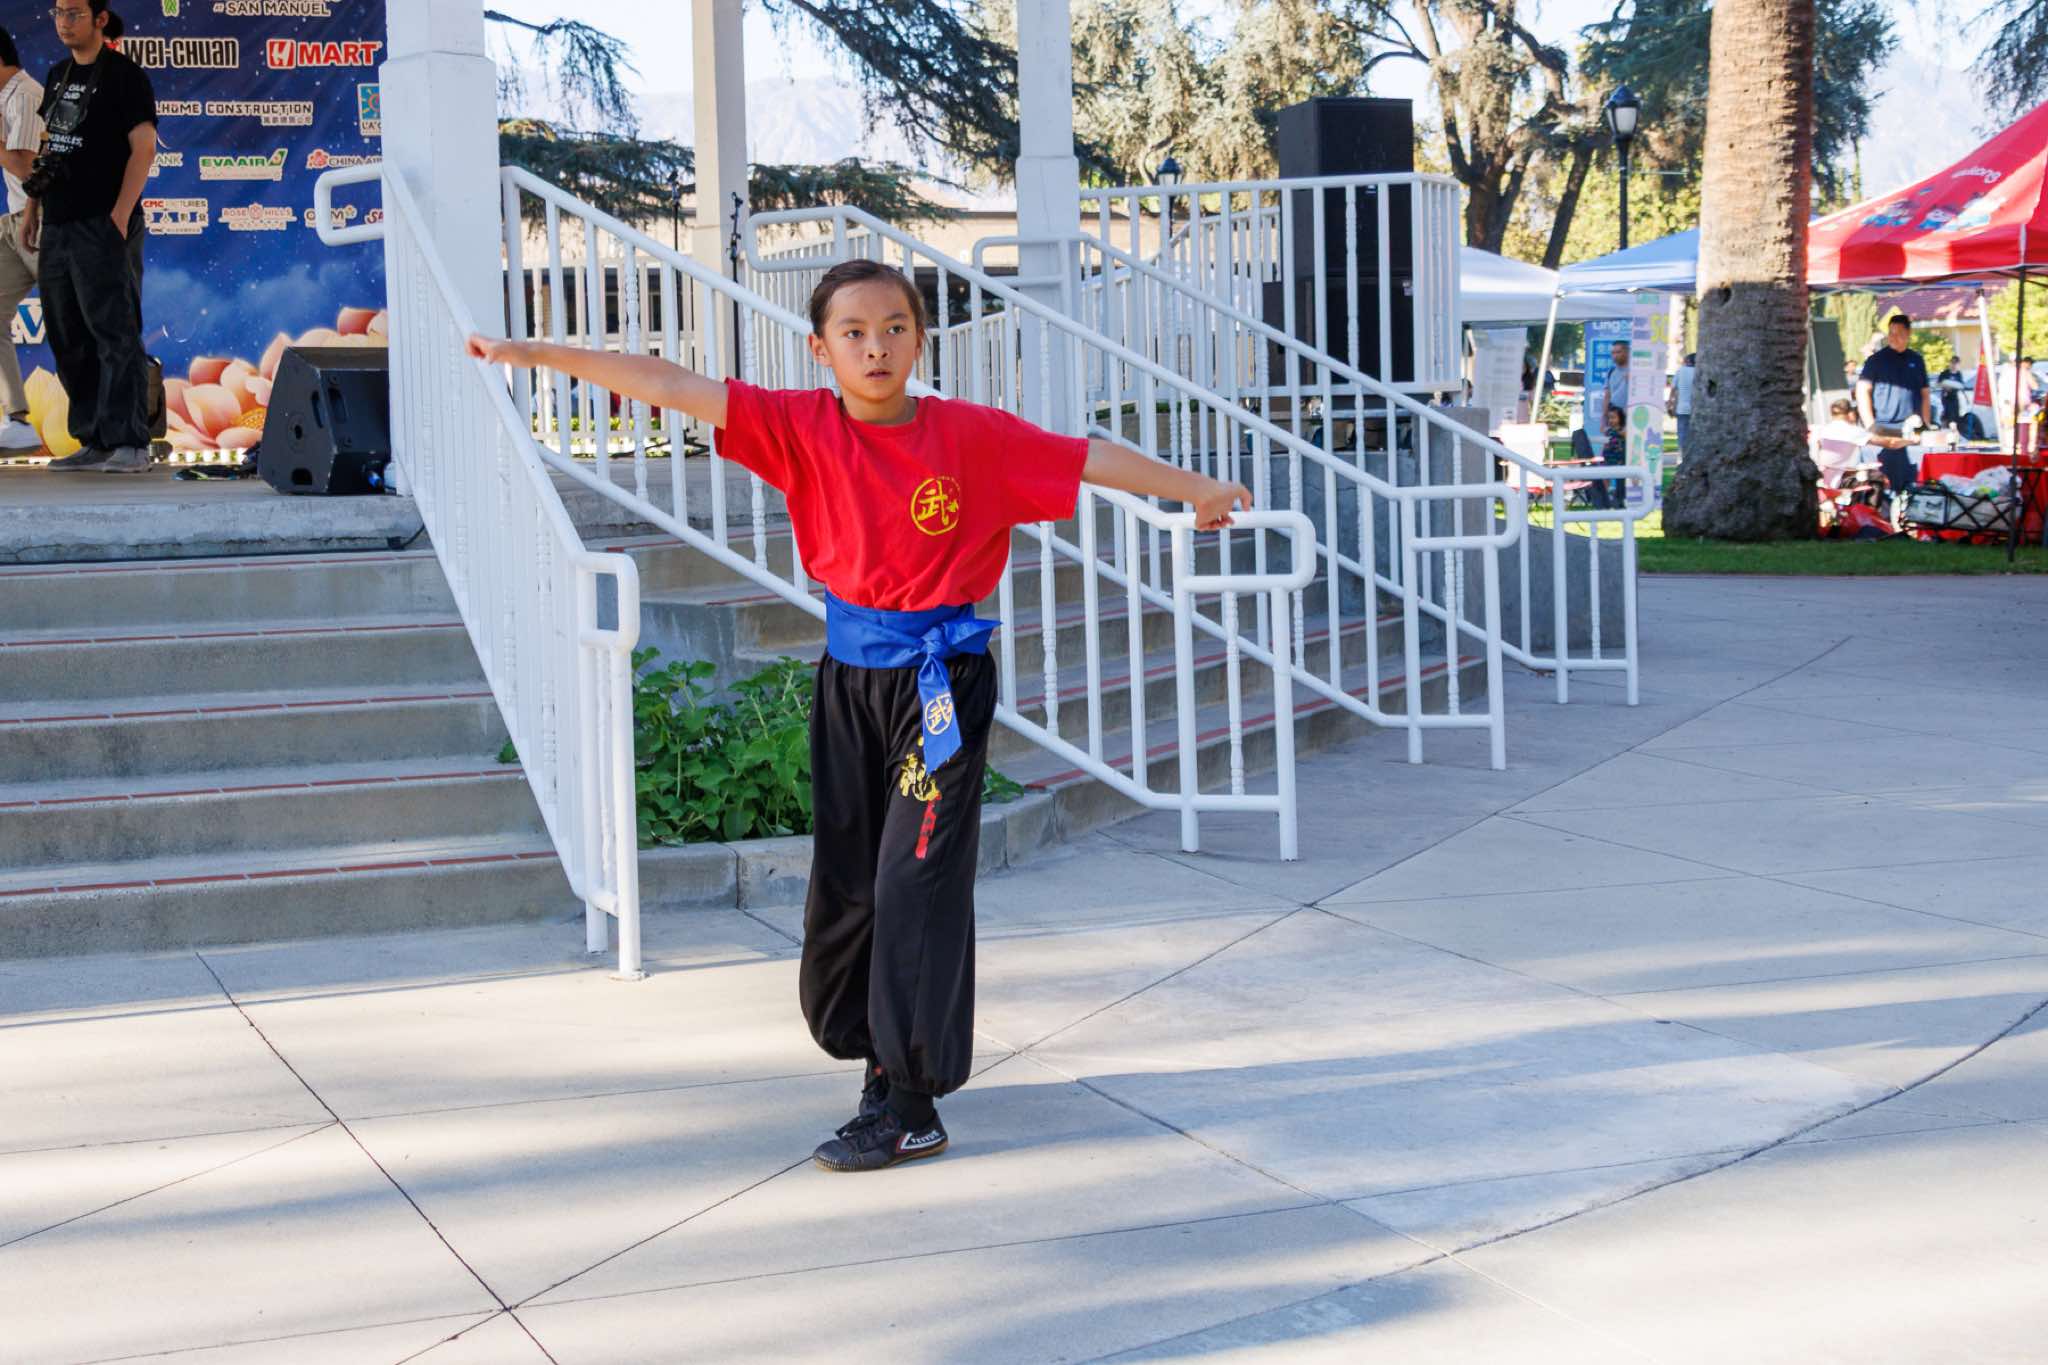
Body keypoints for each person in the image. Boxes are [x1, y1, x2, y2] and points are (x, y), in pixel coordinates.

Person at [466, 259, 1251, 1173]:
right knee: (853, 883)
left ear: (920, 340)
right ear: (821, 348)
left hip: (939, 688)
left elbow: (1085, 458)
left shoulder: (972, 436)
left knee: (915, 881)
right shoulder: (799, 427)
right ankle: (881, 1063)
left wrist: (1194, 488)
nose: (875, 347)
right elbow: (670, 384)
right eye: (854, 332)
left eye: (894, 328)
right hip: (849, 682)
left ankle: (914, 1107)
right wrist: (533, 353)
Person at [21, 0, 156, 473]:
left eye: (75, 13)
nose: (64, 22)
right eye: (58, 12)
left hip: (102, 221)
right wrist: (32, 208)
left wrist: (120, 214)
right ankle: (94, 436)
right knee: (67, 333)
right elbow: (48, 145)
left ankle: (131, 441)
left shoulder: (125, 76)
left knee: (114, 330)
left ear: (100, 19)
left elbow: (144, 147)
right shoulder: (57, 75)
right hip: (57, 221)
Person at [0, 25, 44, 455]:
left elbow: (26, 168)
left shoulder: (25, 95)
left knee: (74, 324)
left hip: (43, 221)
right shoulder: (6, 98)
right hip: (13, 222)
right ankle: (16, 421)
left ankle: (109, 428)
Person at [1855, 314, 1931, 449]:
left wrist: (1926, 425)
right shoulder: (1875, 361)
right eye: (1891, 333)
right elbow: (1862, 391)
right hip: (1883, 428)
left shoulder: (1917, 360)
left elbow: (1925, 394)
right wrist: (1870, 425)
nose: (1893, 337)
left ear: (1908, 333)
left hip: (1912, 428)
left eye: (1898, 333)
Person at [1595, 398, 1627, 509]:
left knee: (1620, 481)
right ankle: (1605, 499)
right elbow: (1605, 441)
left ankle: (1619, 500)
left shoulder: (1623, 431)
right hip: (1607, 458)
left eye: (1613, 417)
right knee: (1605, 479)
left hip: (1619, 460)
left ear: (1620, 418)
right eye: (1609, 418)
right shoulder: (1608, 430)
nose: (1611, 420)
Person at [1668, 351, 1695, 458]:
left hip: (1682, 409)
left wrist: (1670, 405)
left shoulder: (1680, 371)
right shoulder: (1699, 372)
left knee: (1682, 434)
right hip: (1695, 409)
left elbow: (1673, 390)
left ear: (1687, 361)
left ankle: (1684, 457)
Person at [1934, 358, 1966, 431]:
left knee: (1955, 416)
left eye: (1956, 363)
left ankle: (1954, 431)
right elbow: (1938, 384)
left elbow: (1961, 385)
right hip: (1946, 397)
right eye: (1953, 363)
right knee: (1946, 415)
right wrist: (1945, 386)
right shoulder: (1945, 373)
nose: (1954, 365)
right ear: (1950, 363)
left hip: (1955, 397)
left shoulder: (1958, 374)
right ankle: (1944, 429)